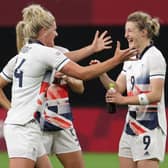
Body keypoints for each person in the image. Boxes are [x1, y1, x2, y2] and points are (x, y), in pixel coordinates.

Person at [0, 4, 137, 168]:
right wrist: (116, 60)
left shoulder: (25, 52)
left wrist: (91, 49)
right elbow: (83, 73)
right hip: (23, 128)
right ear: (44, 30)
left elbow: (68, 58)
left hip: (29, 126)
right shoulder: (44, 53)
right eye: (54, 29)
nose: (56, 33)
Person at [98, 11, 167, 168]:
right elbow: (116, 88)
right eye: (125, 30)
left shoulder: (155, 57)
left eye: (129, 30)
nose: (125, 35)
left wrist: (123, 100)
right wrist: (101, 73)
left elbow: (156, 95)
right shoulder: (130, 59)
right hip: (130, 127)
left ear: (143, 32)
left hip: (150, 127)